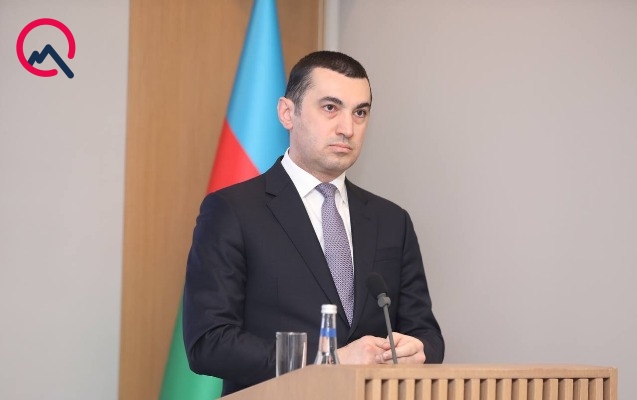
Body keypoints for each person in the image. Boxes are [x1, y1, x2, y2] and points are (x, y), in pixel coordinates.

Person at [183, 51, 444, 396]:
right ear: (287, 113)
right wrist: (330, 362)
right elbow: (209, 342)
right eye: (330, 108)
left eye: (360, 113)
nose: (347, 129)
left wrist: (417, 351)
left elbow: (427, 335)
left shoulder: (392, 221)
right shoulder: (233, 211)